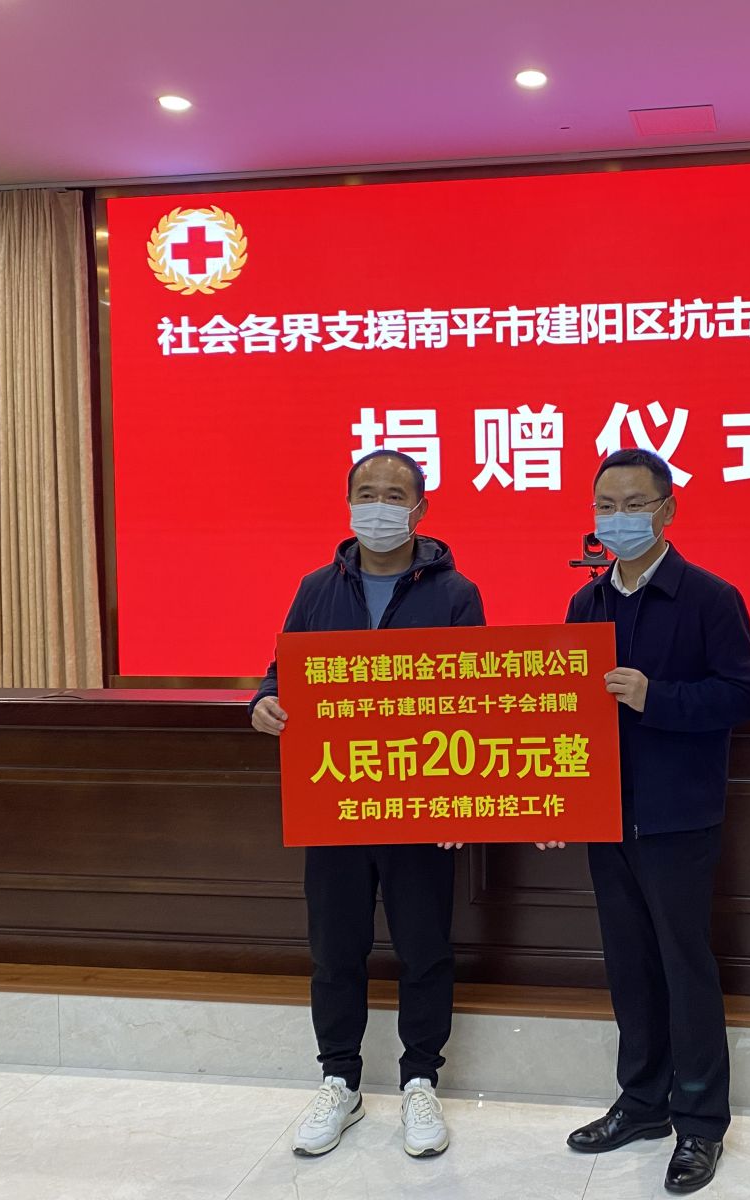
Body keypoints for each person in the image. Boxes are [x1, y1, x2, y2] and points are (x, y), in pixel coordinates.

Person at [250, 449, 484, 1160]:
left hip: (420, 805)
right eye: (366, 493)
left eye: (393, 495)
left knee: (424, 949)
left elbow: (476, 699)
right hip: (337, 800)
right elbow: (281, 673)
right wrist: (263, 702)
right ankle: (339, 1081)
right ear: (348, 501)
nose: (378, 507)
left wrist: (460, 802)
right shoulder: (317, 588)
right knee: (335, 949)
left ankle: (420, 1081)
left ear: (420, 508)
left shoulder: (456, 594)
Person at [558, 448, 750, 1194]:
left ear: (668, 510)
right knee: (629, 966)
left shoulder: (710, 597)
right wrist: (561, 797)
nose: (617, 519)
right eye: (605, 507)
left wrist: (658, 697)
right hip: (606, 816)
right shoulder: (585, 604)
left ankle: (700, 1123)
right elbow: (569, 716)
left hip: (678, 818)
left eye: (633, 505)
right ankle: (642, 1102)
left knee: (684, 966)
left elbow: (743, 695)